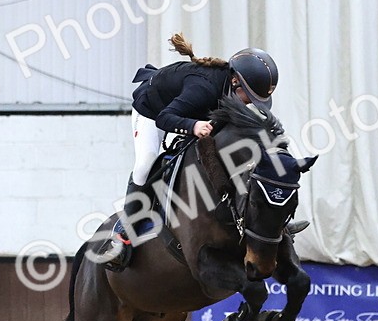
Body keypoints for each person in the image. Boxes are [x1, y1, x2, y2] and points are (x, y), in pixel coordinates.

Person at [101, 33, 286, 270]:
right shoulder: (203, 87)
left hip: (190, 112)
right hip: (153, 110)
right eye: (248, 97)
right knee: (146, 163)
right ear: (235, 82)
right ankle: (122, 235)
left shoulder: (228, 91)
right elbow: (165, 118)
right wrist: (193, 126)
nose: (249, 103)